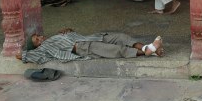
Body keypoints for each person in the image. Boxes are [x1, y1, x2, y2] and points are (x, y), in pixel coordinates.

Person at [16, 28, 164, 65]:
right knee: (116, 50)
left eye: (38, 36)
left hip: (92, 38)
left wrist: (68, 30)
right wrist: (23, 49)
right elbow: (22, 55)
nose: (40, 37)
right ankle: (147, 52)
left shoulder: (55, 36)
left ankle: (148, 48)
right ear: (36, 45)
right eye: (37, 39)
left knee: (120, 37)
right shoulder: (43, 49)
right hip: (83, 47)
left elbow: (71, 34)